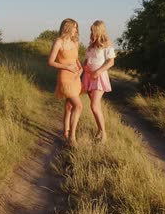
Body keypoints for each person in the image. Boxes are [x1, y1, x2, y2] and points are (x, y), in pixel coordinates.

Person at [47, 18, 84, 146]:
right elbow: (50, 62)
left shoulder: (75, 42)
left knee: (69, 107)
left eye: (76, 28)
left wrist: (81, 68)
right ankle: (72, 137)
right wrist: (67, 67)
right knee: (78, 106)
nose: (76, 30)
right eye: (74, 27)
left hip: (75, 78)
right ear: (67, 28)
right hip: (65, 77)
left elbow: (76, 59)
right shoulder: (59, 42)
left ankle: (65, 133)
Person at [81, 20, 115, 143]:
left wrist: (98, 72)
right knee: (95, 107)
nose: (91, 32)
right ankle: (100, 130)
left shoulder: (107, 43)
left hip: (98, 76)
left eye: (93, 30)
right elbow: (86, 60)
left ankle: (104, 134)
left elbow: (111, 62)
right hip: (88, 76)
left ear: (99, 30)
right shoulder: (90, 45)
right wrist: (83, 68)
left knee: (94, 106)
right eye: (91, 30)